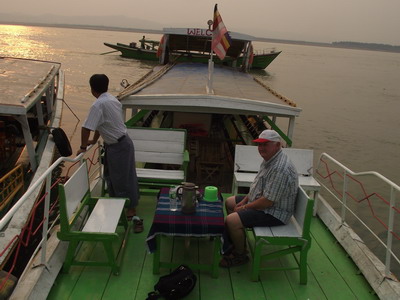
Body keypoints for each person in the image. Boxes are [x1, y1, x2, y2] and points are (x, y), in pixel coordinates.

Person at [220, 129, 298, 267]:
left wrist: (243, 208)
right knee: (229, 202)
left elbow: (267, 202)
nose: (261, 148)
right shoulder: (270, 159)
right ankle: (236, 243)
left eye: (265, 144)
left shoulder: (280, 168)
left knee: (231, 220)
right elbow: (258, 186)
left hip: (275, 212)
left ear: (278, 145)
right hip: (267, 204)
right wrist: (244, 201)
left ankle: (240, 255)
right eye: (259, 144)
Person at [76, 74, 143, 233]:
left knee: (123, 179)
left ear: (92, 89)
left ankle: (130, 209)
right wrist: (94, 140)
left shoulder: (98, 105)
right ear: (106, 85)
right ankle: (118, 204)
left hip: (119, 146)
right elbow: (101, 124)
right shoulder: (112, 100)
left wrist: (83, 147)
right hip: (120, 144)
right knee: (114, 177)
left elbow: (86, 127)